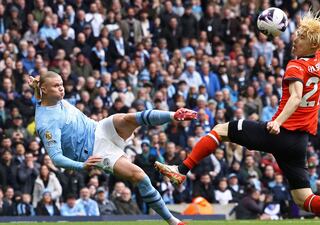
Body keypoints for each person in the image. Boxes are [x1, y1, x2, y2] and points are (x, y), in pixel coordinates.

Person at [156, 11, 320, 225]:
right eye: (297, 34)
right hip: (299, 142)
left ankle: (181, 170)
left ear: (311, 45)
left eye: (301, 37)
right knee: (303, 199)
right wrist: (315, 37)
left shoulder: (296, 66)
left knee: (220, 130)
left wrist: (277, 122)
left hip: (280, 133)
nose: (295, 38)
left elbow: (296, 97)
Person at [30, 71, 197, 225]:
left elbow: (40, 90)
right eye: (56, 86)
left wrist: (36, 85)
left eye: (61, 84)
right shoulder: (46, 123)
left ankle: (174, 115)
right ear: (44, 89)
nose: (61, 89)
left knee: (126, 118)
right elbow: (56, 158)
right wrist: (82, 166)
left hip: (98, 128)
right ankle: (174, 222)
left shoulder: (49, 97)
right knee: (140, 177)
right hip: (93, 151)